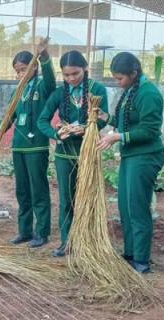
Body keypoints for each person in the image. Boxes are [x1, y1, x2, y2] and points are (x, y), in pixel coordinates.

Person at [95, 52, 164, 274]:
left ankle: (141, 260)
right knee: (125, 207)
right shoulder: (131, 90)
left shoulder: (148, 94)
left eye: (120, 78)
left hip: (145, 156)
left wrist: (118, 137)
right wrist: (105, 117)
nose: (118, 82)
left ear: (134, 73)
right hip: (131, 156)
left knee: (137, 207)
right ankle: (130, 254)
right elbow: (126, 121)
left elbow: (149, 130)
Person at [36, 50, 109, 256]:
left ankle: (89, 241)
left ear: (85, 68)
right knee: (67, 200)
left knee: (89, 197)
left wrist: (87, 128)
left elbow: (103, 118)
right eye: (66, 75)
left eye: (75, 73)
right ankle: (67, 241)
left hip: (88, 152)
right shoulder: (60, 93)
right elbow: (42, 120)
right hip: (64, 155)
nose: (71, 78)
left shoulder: (97, 89)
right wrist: (56, 134)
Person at [0, 38, 55, 249]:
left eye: (24, 69)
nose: (19, 74)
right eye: (17, 71)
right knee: (22, 191)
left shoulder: (42, 86)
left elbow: (51, 81)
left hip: (37, 147)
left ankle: (42, 232)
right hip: (18, 147)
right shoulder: (17, 92)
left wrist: (44, 58)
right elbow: (7, 118)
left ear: (33, 67)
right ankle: (25, 230)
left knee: (38, 190)